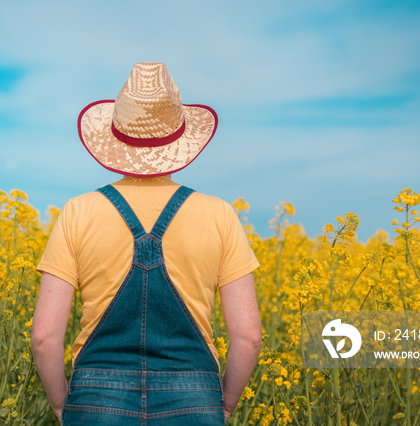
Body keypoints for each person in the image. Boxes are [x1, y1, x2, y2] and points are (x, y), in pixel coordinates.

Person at [31, 62, 262, 425]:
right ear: (180, 141)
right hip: (194, 398)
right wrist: (223, 404)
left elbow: (44, 337)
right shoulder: (219, 215)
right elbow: (248, 338)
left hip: (96, 399)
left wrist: (65, 405)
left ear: (115, 138)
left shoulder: (78, 211)